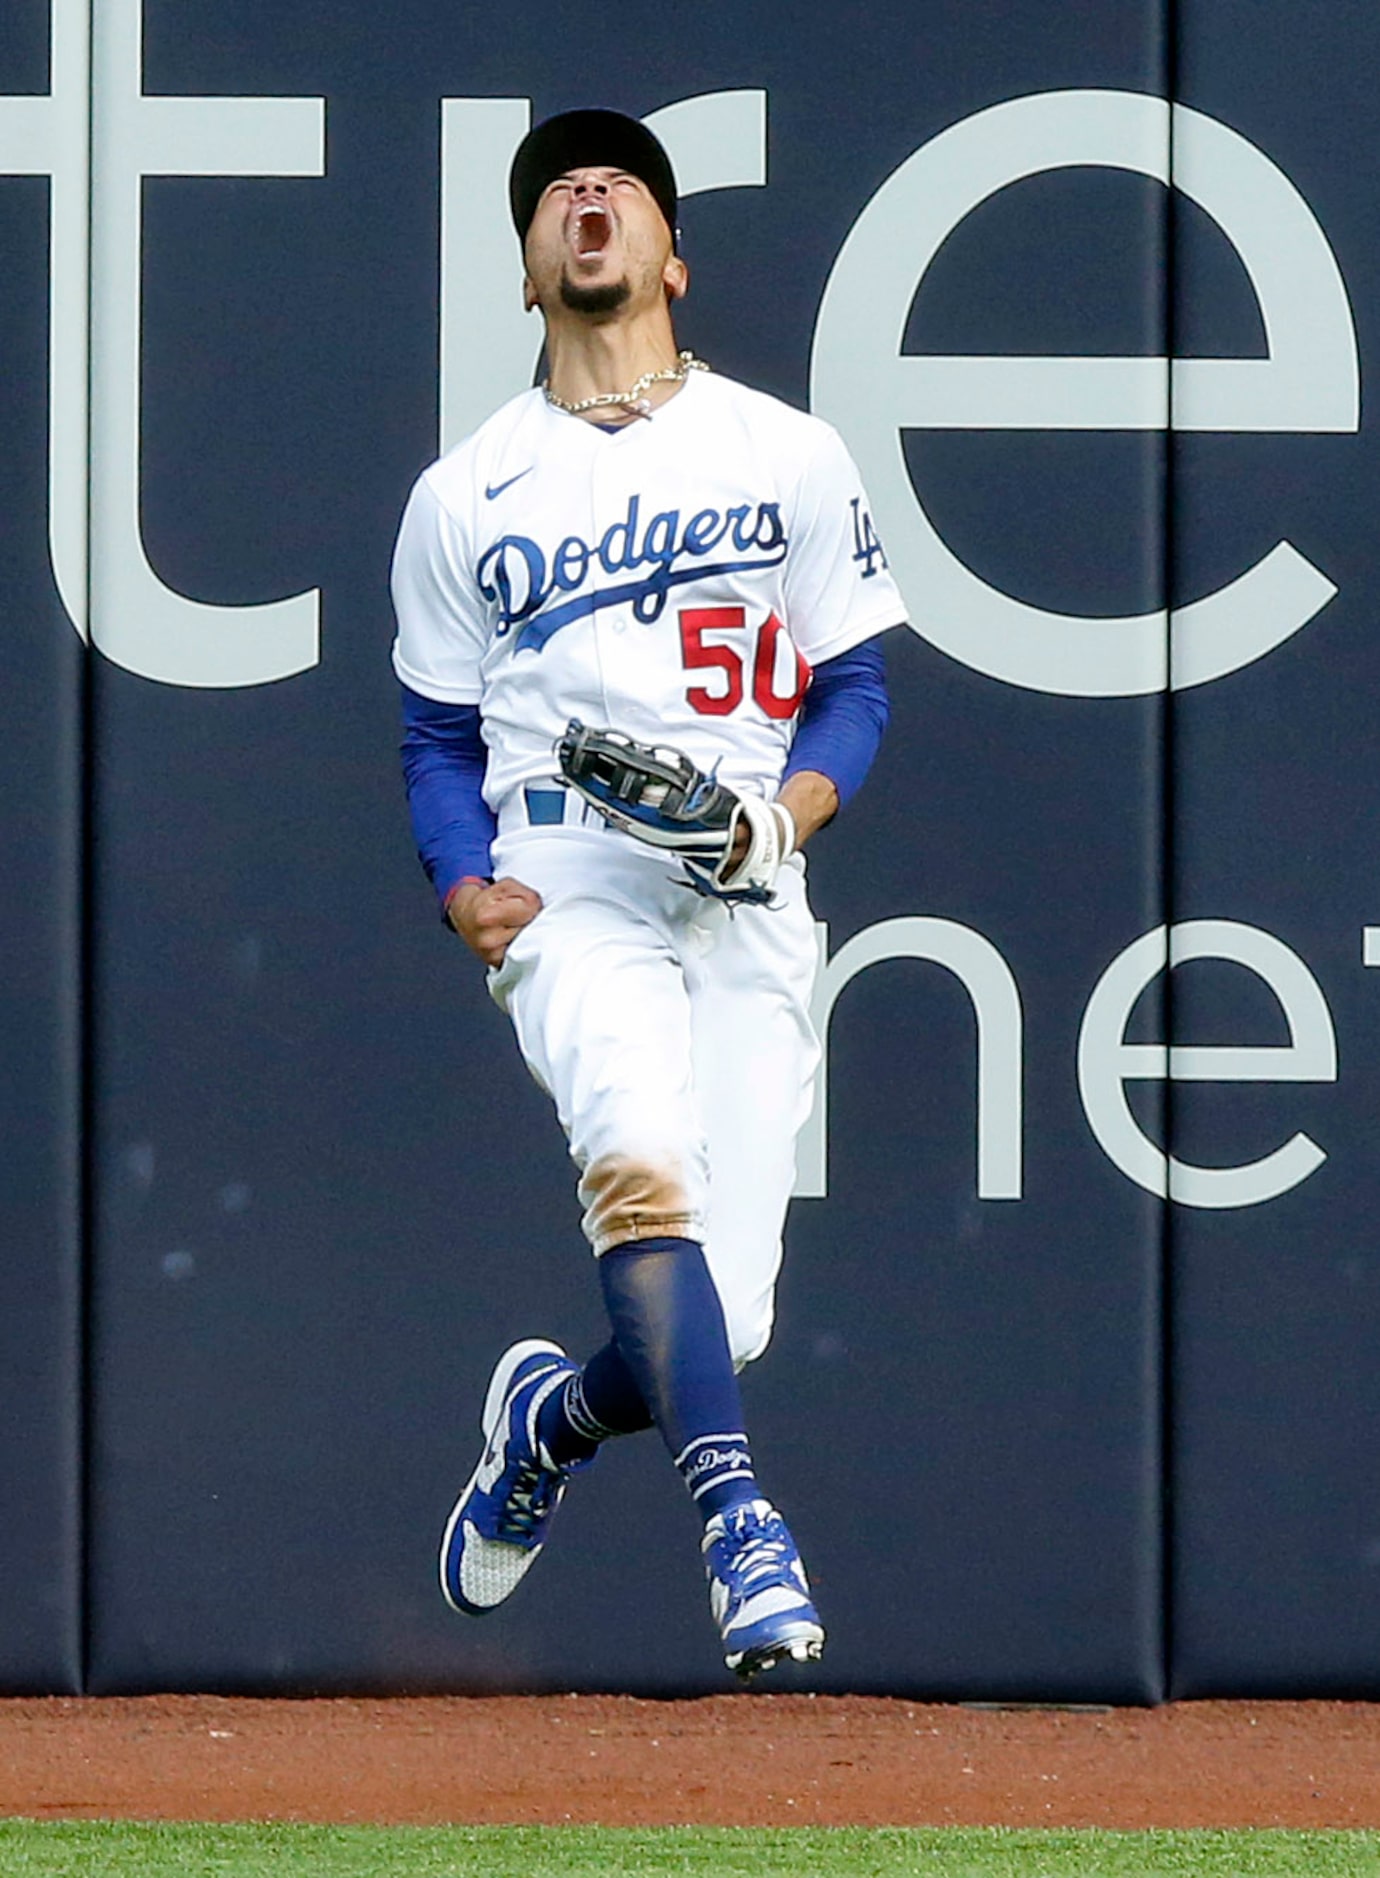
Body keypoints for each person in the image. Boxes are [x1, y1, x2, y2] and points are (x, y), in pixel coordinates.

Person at [390, 108, 906, 1678]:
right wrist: (462, 876)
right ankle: (739, 1518)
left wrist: (786, 818)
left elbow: (859, 683)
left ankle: (550, 1417)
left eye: (618, 181)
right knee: (635, 1158)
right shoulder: (466, 492)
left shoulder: (783, 450)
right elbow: (434, 733)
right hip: (570, 871)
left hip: (740, 874)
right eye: (556, 189)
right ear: (534, 270)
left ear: (674, 254)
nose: (587, 190)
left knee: (712, 1328)